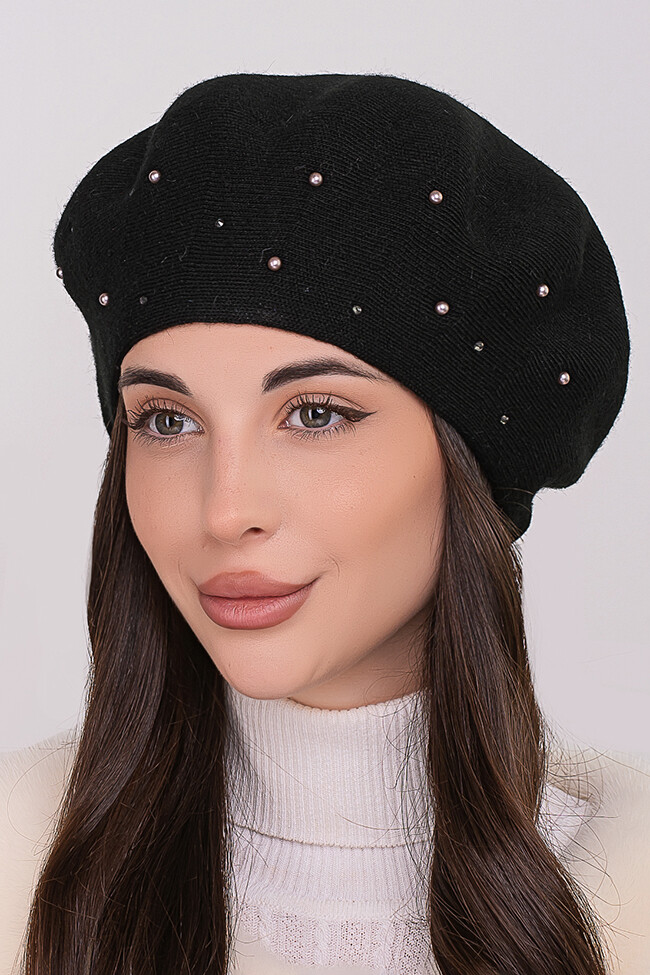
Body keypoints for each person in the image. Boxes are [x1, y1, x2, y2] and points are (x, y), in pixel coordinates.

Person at [1, 72, 648, 975]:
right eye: (167, 420)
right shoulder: (21, 861)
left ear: (469, 461)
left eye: (315, 414)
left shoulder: (626, 891)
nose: (227, 510)